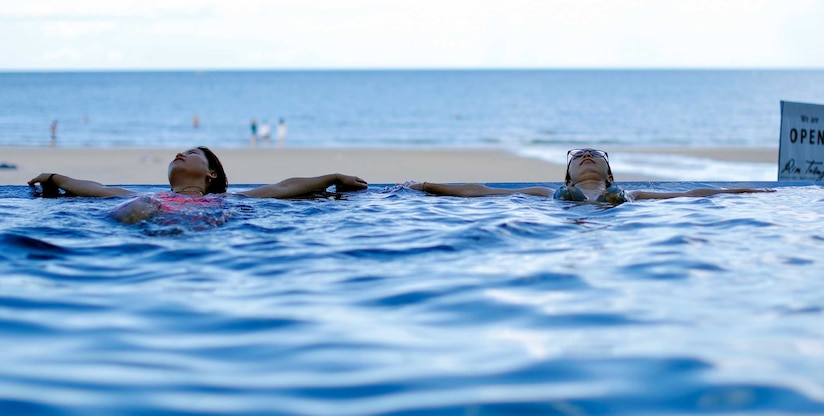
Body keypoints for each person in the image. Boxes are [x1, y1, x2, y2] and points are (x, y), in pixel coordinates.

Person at [27, 146, 368, 224]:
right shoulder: (149, 198)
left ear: (212, 175)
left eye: (190, 153)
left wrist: (333, 177)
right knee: (135, 206)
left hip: (202, 226)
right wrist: (55, 178)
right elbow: (94, 188)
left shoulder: (229, 200)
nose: (179, 153)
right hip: (150, 219)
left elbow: (283, 187)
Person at [410, 148, 772, 204]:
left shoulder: (633, 197)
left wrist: (746, 192)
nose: (586, 155)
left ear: (609, 172)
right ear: (567, 177)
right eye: (578, 155)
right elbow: (483, 192)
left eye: (595, 154)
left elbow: (696, 194)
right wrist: (427, 186)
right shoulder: (544, 193)